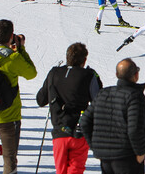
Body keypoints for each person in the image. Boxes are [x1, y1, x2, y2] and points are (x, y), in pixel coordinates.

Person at [0, 19, 37, 174]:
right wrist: (21, 49)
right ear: (11, 35)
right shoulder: (13, 58)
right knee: (9, 157)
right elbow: (32, 73)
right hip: (9, 116)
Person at [80, 58, 145, 174]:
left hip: (106, 158)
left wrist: (96, 147)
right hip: (127, 156)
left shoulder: (103, 93)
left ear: (116, 75)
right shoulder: (135, 96)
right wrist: (140, 152)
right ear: (136, 75)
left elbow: (84, 121)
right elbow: (134, 129)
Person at [36, 43, 102, 174]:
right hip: (79, 131)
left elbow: (40, 99)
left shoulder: (54, 73)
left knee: (61, 171)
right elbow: (99, 100)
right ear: (84, 60)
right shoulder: (88, 75)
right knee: (75, 170)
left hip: (59, 131)